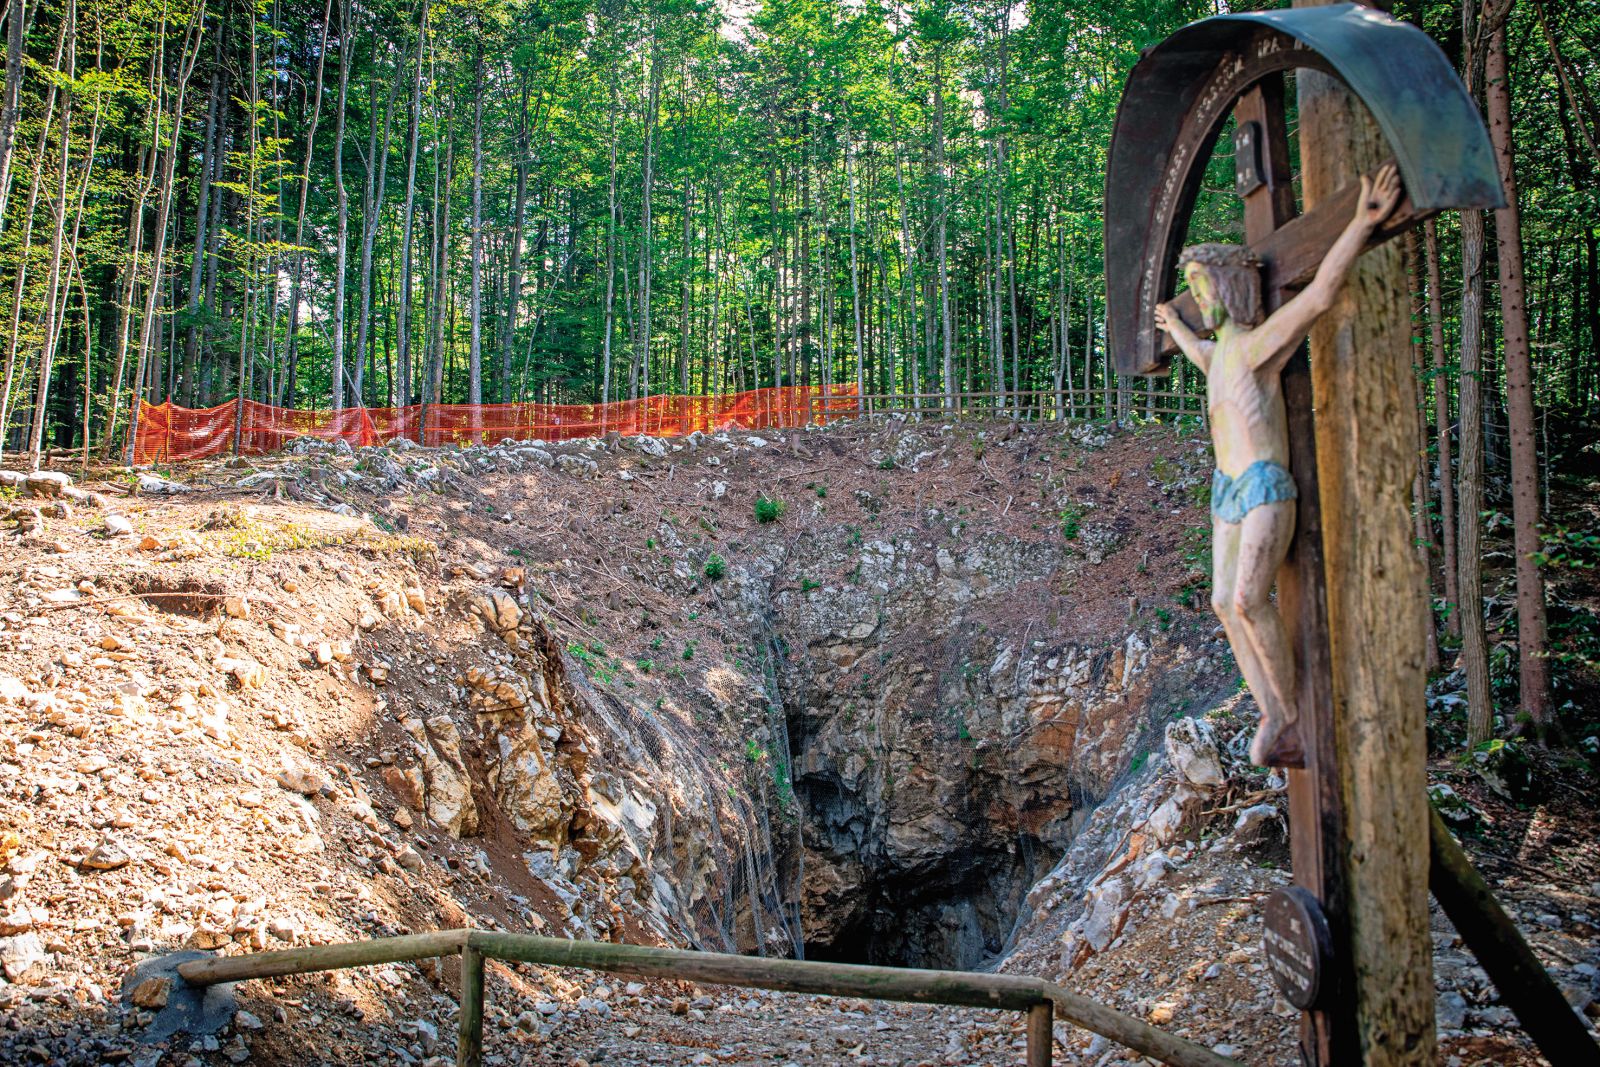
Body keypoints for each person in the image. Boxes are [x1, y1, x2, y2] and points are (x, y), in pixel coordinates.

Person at [1155, 163, 1403, 766]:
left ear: (1229, 285)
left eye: (1203, 285)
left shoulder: (1260, 343)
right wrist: (1171, 323)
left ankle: (1289, 713)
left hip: (1265, 484)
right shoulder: (1218, 355)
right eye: (1194, 288)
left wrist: (1361, 224)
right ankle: (1271, 709)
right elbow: (1196, 351)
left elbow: (1318, 296)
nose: (1200, 298)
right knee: (1220, 602)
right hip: (1227, 491)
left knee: (1247, 599)